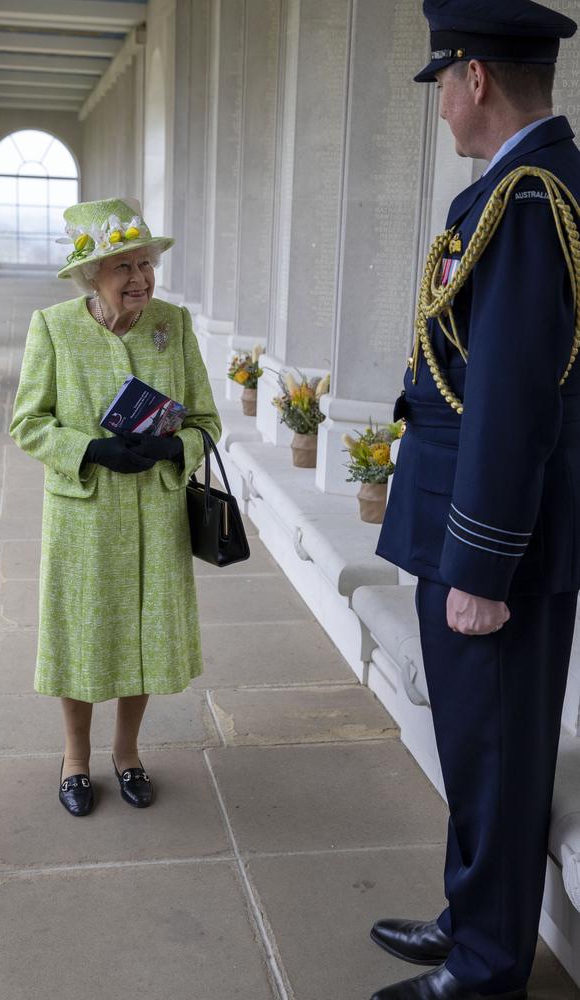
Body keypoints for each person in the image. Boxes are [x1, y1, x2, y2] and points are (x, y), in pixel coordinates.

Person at [373, 1, 580, 998]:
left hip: (491, 543)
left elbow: (509, 396)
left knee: (495, 757)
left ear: (475, 79)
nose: (441, 107)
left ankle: (488, 966)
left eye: (441, 85)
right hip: (467, 526)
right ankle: (471, 916)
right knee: (474, 747)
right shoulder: (518, 191)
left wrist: (479, 566)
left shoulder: (530, 201)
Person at [10, 198, 221, 817]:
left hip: (156, 515)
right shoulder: (53, 327)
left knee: (143, 638)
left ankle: (127, 753)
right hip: (84, 516)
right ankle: (76, 759)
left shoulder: (172, 325)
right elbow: (27, 424)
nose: (140, 278)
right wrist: (92, 449)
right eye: (123, 266)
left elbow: (207, 422)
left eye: (146, 263)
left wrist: (171, 445)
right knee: (83, 636)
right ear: (89, 275)